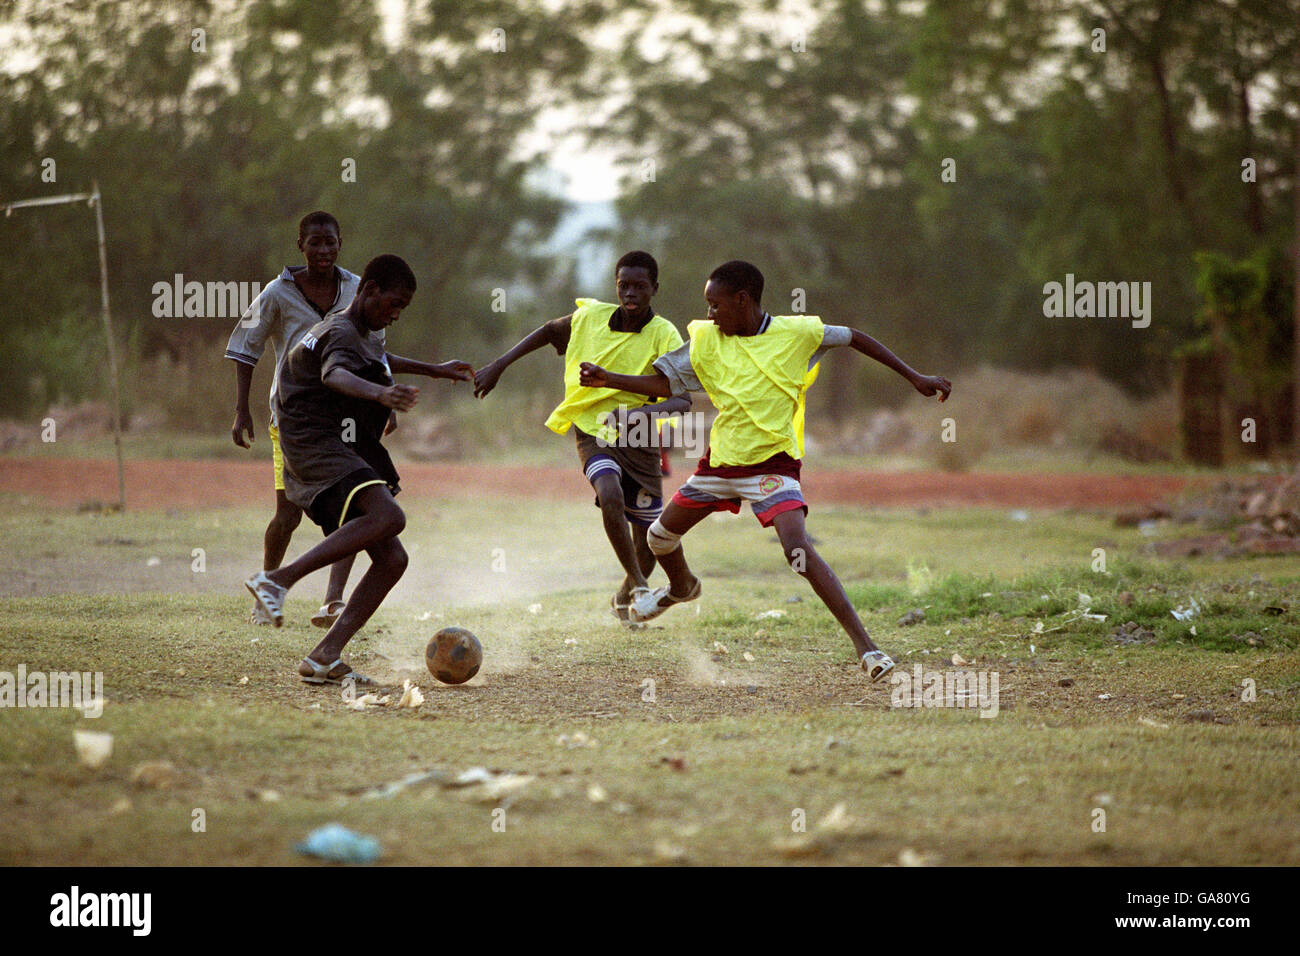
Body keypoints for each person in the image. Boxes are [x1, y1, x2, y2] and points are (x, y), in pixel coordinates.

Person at [579, 260, 952, 681]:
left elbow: (855, 338)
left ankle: (869, 650)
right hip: (719, 464)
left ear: (743, 301)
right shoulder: (705, 340)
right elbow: (667, 385)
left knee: (798, 551)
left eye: (715, 305)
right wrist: (608, 378)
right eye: (707, 306)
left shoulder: (797, 334)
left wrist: (915, 376)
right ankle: (682, 588)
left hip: (773, 466)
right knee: (659, 538)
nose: (709, 314)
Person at [244, 254, 473, 685]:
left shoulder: (357, 330)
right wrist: (381, 395)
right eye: (392, 303)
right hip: (316, 442)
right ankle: (278, 580)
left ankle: (324, 656)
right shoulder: (343, 332)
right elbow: (336, 375)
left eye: (403, 307)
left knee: (392, 558)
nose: (395, 313)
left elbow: (378, 355)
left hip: (325, 441)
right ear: (369, 290)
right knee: (389, 516)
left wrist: (433, 370)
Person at [472, 251, 693, 625]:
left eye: (640, 286)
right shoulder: (590, 317)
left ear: (655, 288)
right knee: (608, 494)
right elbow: (548, 331)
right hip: (594, 427)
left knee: (651, 540)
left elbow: (682, 400)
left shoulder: (665, 334)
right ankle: (640, 587)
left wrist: (639, 413)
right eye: (624, 285)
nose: (631, 293)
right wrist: (499, 365)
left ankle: (624, 594)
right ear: (616, 285)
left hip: (638, 437)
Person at [225, 211, 382, 628]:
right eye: (315, 243)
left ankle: (333, 601)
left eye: (330, 242)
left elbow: (376, 350)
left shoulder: (354, 289)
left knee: (356, 507)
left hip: (346, 416)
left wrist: (382, 403)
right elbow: (245, 347)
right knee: (288, 514)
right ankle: (266, 592)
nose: (324, 250)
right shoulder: (278, 292)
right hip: (294, 419)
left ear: (340, 243)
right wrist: (242, 408)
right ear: (301, 246)